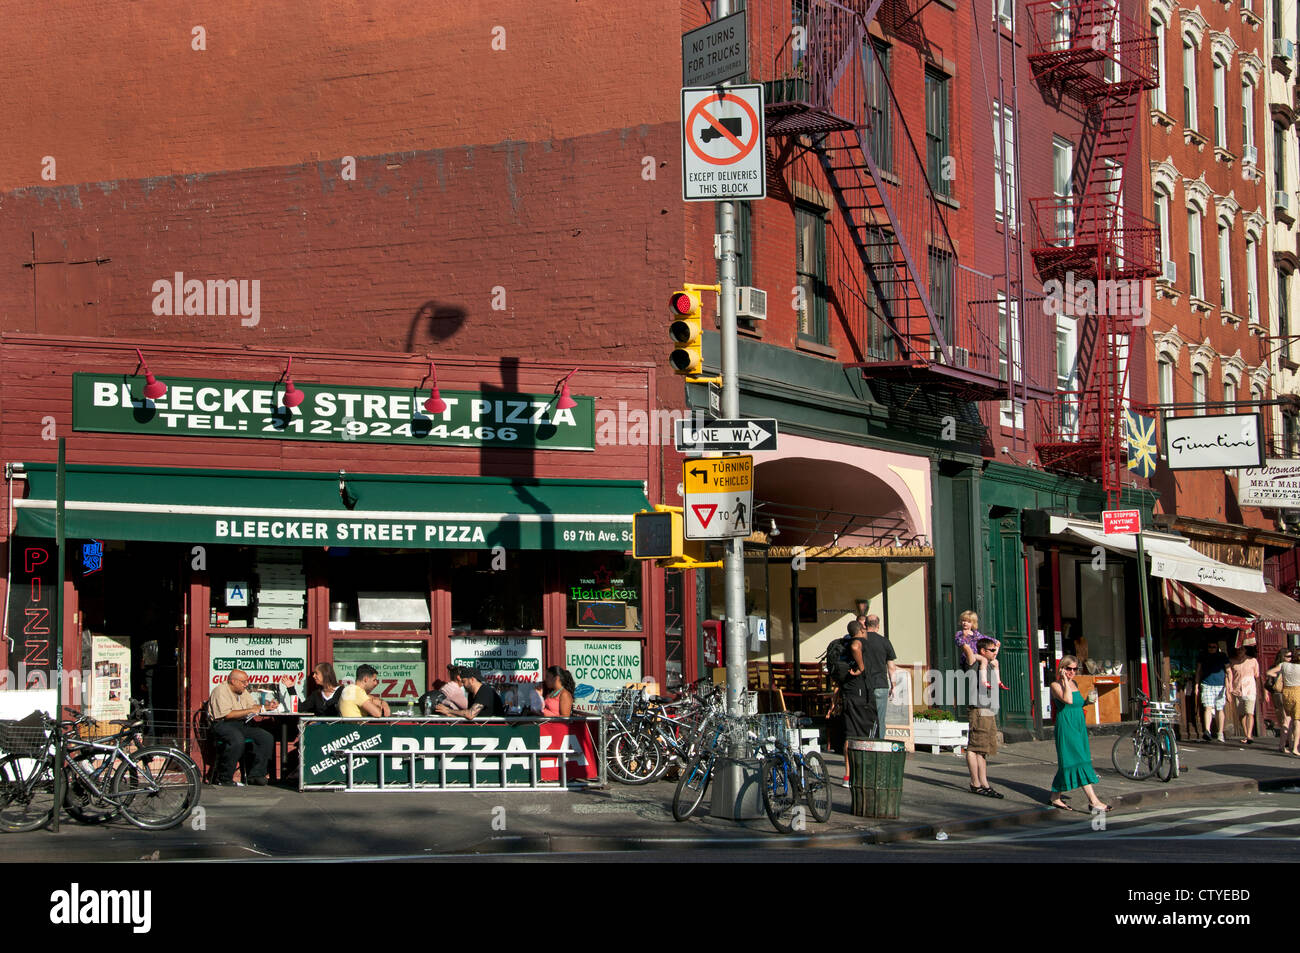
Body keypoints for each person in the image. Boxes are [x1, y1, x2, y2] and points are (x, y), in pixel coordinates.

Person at [1049, 655, 1108, 812]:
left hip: (1078, 725)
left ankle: (1055, 797)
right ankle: (1093, 801)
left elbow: (1077, 703)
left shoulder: (1074, 683)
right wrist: (1064, 680)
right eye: (1069, 669)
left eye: (1075, 669)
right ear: (1062, 668)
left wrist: (1088, 701)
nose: (1072, 672)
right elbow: (1067, 700)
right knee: (1079, 760)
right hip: (1066, 727)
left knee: (1069, 762)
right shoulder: (1056, 685)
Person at [207, 669, 278, 786]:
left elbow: (251, 706)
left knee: (265, 737)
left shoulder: (242, 691)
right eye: (243, 682)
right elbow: (227, 715)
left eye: (247, 682)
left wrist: (267, 706)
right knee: (237, 739)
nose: (246, 684)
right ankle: (224, 778)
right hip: (222, 724)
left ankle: (256, 775)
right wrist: (250, 710)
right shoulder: (220, 691)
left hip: (240, 724)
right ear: (233, 681)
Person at [965, 639, 1004, 798]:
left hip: (989, 709)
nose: (995, 653)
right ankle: (975, 783)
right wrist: (966, 634)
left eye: (995, 650)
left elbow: (995, 651)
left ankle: (984, 783)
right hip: (979, 708)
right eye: (991, 650)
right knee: (974, 747)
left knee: (983, 749)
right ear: (982, 651)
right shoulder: (976, 661)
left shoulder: (990, 664)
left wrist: (996, 648)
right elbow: (965, 648)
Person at [860, 615, 898, 740]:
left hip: (863, 685)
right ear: (878, 626)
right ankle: (880, 745)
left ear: (865, 625)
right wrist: (894, 686)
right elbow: (891, 667)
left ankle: (865, 745)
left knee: (864, 718)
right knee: (880, 719)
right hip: (881, 684)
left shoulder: (860, 641)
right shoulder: (884, 641)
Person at [1266, 648, 1300, 756]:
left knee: (1286, 720)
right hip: (1297, 692)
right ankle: (1295, 747)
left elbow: (1269, 672)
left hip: (1286, 693)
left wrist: (1281, 677)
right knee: (1297, 721)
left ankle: (1284, 744)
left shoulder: (1283, 665)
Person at [435, 667, 503, 720]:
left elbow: (470, 714)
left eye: (464, 681)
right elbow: (467, 716)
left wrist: (449, 710)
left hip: (492, 732)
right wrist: (449, 714)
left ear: (472, 679)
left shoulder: (485, 691)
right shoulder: (471, 694)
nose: (463, 684)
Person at [1195, 639, 1228, 742]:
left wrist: (1229, 686)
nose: (1211, 649)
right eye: (1210, 646)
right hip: (1206, 684)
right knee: (1207, 707)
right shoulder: (1203, 655)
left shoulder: (1222, 656)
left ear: (1217, 647)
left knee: (1219, 708)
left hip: (1220, 685)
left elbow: (1228, 670)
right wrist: (1196, 685)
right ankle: (1207, 731)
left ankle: (1220, 732)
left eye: (1213, 647)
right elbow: (1198, 671)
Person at [1226, 648, 1260, 744]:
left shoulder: (1252, 661)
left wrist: (1260, 691)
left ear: (1245, 650)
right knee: (1241, 714)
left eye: (1241, 650)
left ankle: (1249, 735)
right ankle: (1246, 734)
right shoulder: (1232, 661)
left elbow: (1257, 676)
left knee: (1249, 712)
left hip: (1250, 689)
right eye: (1238, 650)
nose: (1239, 652)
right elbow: (1229, 675)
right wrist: (1229, 689)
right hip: (1237, 690)